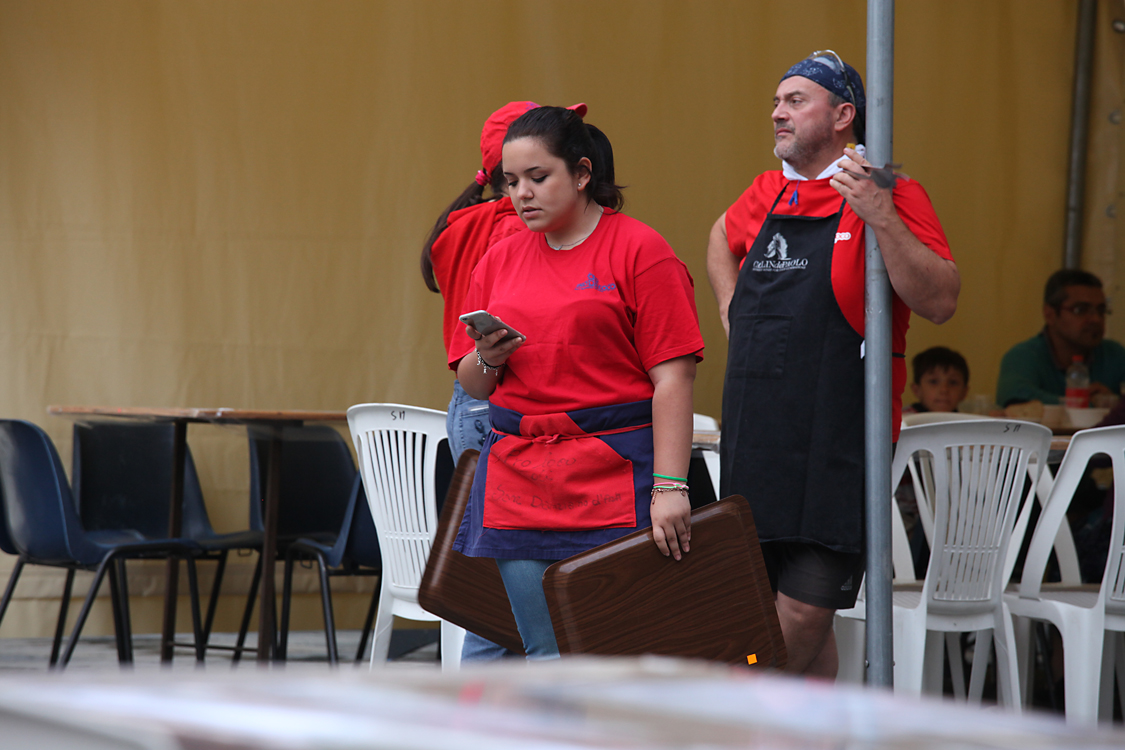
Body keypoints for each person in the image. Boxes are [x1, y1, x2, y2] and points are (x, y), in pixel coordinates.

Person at [706, 50, 959, 678]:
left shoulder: (891, 188)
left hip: (839, 445)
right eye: (775, 101)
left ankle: (727, 724)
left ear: (844, 115)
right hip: (757, 437)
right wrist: (731, 306)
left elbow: (942, 299)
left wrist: (883, 218)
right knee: (764, 613)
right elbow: (718, 237)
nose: (777, 113)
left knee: (800, 616)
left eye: (795, 100)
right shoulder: (765, 192)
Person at [451, 106, 704, 659]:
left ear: (583, 173)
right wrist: (487, 357)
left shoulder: (640, 249)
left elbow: (674, 378)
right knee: (545, 653)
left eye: (538, 178)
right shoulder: (499, 257)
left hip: (615, 469)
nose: (522, 194)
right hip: (519, 471)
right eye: (511, 182)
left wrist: (670, 486)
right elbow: (473, 384)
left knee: (614, 655)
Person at [422, 101, 584, 662]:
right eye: (527, 175)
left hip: (466, 399)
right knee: (508, 598)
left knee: (499, 587)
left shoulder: (455, 226)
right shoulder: (510, 232)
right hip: (499, 401)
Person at [995, 269, 1125, 407]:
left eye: (1101, 310)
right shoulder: (1023, 356)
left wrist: (1114, 402)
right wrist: (1084, 403)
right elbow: (1014, 398)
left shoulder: (1115, 355)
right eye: (1080, 310)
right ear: (1049, 314)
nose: (1096, 319)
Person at [906, 346, 970, 413]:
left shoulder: (968, 421)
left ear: (964, 392)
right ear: (916, 390)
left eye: (953, 382)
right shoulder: (902, 420)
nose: (944, 390)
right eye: (934, 381)